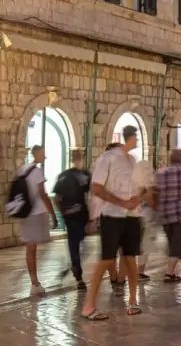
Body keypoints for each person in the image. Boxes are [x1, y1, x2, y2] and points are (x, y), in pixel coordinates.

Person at [81, 127, 143, 319]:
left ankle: (133, 301)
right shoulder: (107, 159)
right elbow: (97, 188)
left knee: (130, 257)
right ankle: (89, 306)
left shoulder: (132, 161)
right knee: (107, 259)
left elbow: (137, 188)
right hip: (113, 216)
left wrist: (138, 199)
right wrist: (122, 202)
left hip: (132, 216)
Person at [13, 145, 58, 297]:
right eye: (43, 154)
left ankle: (35, 282)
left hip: (25, 212)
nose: (44, 157)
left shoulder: (22, 170)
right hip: (36, 213)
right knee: (33, 248)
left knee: (30, 248)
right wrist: (53, 214)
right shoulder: (37, 172)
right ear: (37, 154)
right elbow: (43, 194)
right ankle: (34, 283)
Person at [155, 149, 181, 283]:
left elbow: (156, 191)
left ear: (170, 159)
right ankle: (169, 272)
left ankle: (172, 270)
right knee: (178, 243)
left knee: (172, 241)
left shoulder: (161, 173)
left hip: (166, 213)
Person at [54, 149, 91, 292]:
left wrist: (62, 212)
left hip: (79, 216)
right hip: (74, 217)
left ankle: (74, 266)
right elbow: (57, 198)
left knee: (79, 246)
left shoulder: (83, 175)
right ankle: (79, 277)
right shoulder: (81, 175)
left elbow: (57, 199)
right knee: (75, 246)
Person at [132, 159, 157, 282]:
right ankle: (139, 272)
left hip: (133, 213)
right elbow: (152, 200)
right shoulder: (147, 183)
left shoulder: (133, 181)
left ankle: (129, 273)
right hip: (145, 214)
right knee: (144, 245)